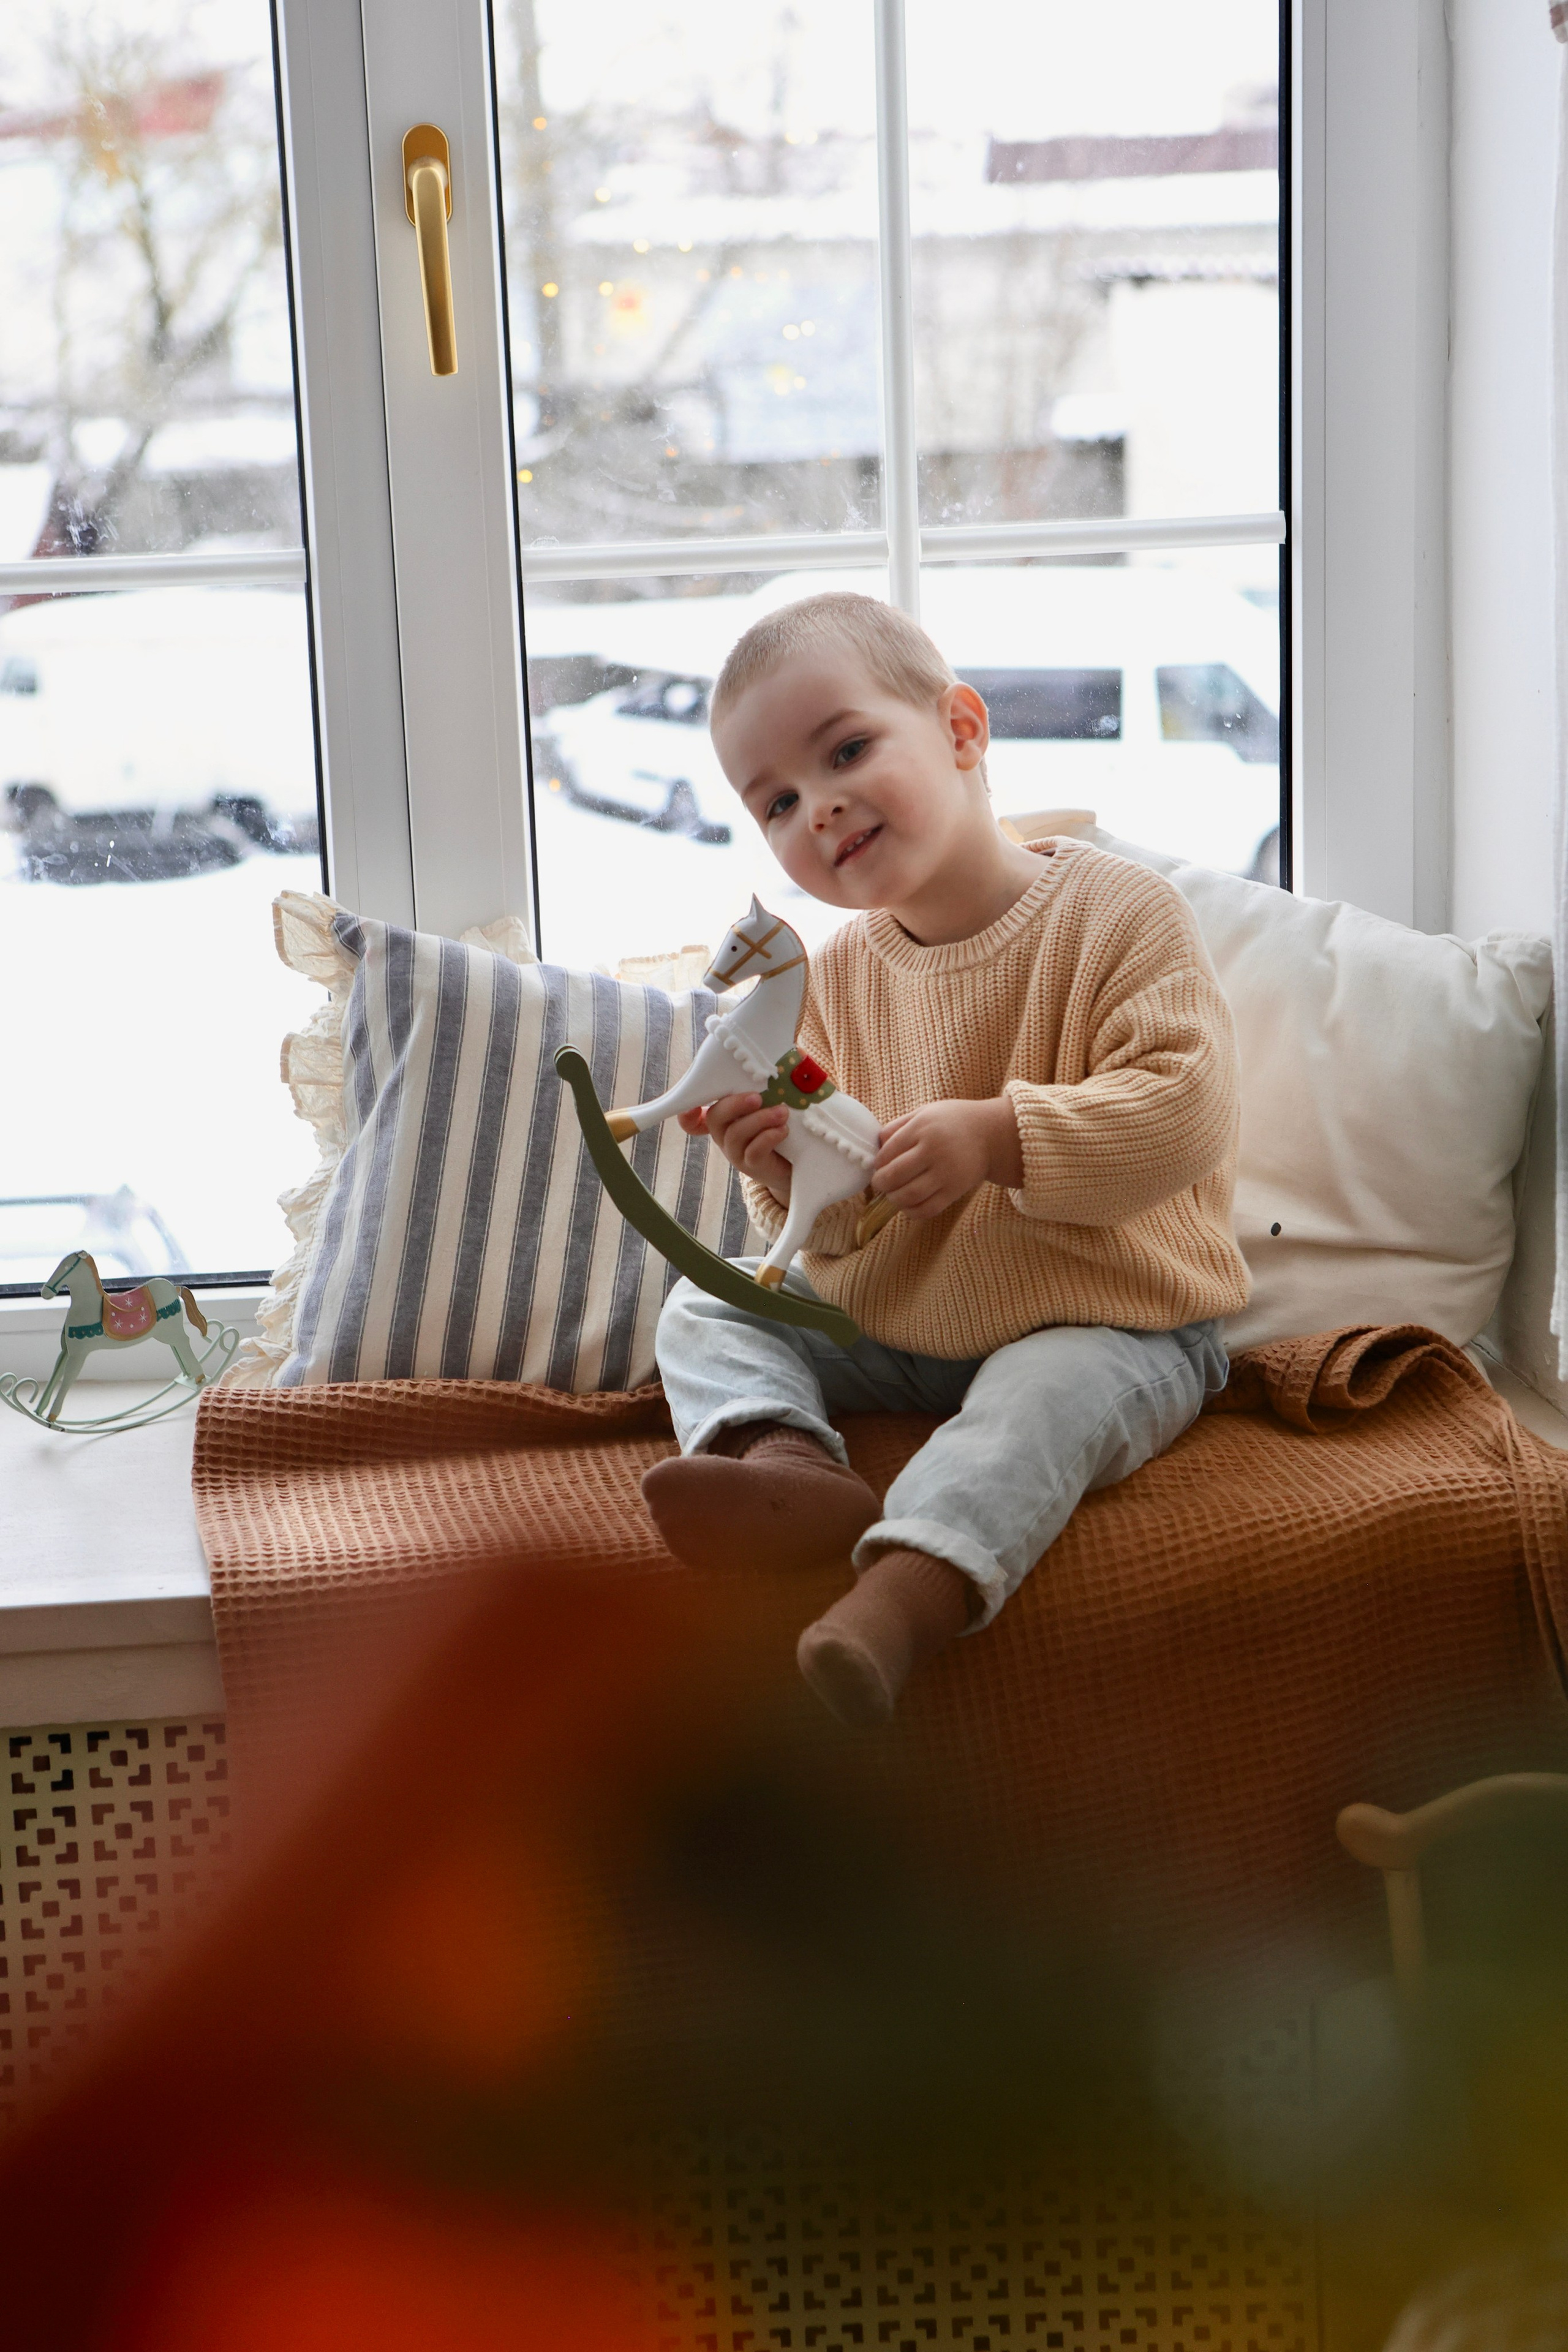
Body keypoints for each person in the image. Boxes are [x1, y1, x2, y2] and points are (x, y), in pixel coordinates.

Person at [642, 590, 1248, 1727]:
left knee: (1044, 1399)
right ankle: (788, 1469)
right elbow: (847, 1227)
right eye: (776, 801)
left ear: (963, 732)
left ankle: (907, 1590)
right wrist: (788, 1172)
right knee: (709, 1307)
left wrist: (1002, 1137)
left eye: (848, 751)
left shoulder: (1123, 915)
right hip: (914, 1321)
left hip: (1114, 1316)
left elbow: (1186, 1111)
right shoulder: (829, 980)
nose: (817, 808)